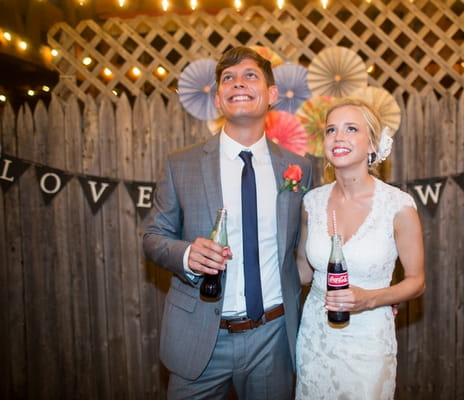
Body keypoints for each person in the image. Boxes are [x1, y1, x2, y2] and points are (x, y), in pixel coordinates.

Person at [143, 46, 312, 400]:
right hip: (199, 336)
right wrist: (186, 254)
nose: (239, 83)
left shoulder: (299, 168)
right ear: (219, 98)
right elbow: (153, 236)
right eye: (228, 78)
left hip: (273, 337)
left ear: (272, 95)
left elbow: (319, 241)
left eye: (251, 75)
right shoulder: (181, 164)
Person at [294, 98, 425, 399]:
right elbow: (302, 272)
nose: (338, 137)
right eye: (331, 130)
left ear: (372, 145)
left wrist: (370, 299)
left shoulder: (398, 206)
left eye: (351, 129)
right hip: (315, 336)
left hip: (368, 339)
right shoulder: (311, 203)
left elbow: (417, 282)